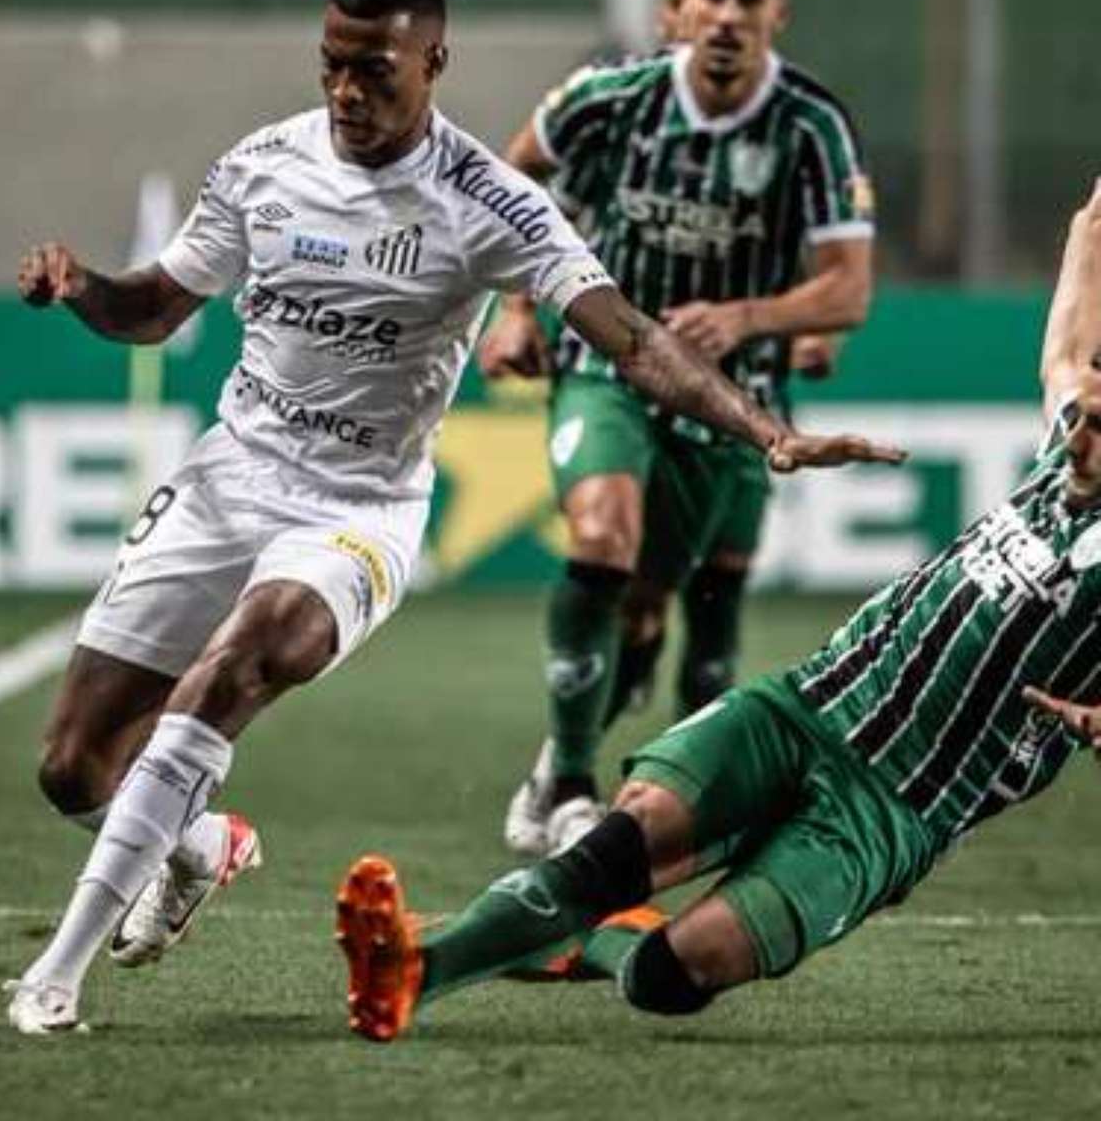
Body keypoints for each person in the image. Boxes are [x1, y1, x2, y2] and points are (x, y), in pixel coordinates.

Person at [3, 0, 900, 1036]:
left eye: (374, 70)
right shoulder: (261, 166)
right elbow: (153, 308)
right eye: (332, 66)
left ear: (434, 61)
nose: (347, 92)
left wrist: (763, 428)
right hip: (226, 479)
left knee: (240, 663)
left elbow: (631, 336)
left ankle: (53, 976)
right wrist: (81, 286)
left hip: (357, 509)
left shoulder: (489, 201)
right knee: (71, 770)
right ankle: (199, 843)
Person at [336, 177, 1101, 1044]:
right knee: (609, 854)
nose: (1082, 426)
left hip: (892, 809)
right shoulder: (1062, 459)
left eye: (1099, 424)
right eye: (1087, 410)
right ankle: (410, 970)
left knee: (671, 975)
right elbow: (1070, 346)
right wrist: (1090, 219)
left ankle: (598, 945)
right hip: (810, 704)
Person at [480, 0, 875, 858]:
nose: (728, 14)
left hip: (730, 406)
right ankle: (574, 786)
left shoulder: (813, 128)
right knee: (601, 536)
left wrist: (751, 319)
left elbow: (848, 287)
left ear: (778, 13)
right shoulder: (609, 97)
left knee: (667, 614)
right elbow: (502, 183)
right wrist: (517, 311)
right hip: (608, 368)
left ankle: (609, 780)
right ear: (685, 0)